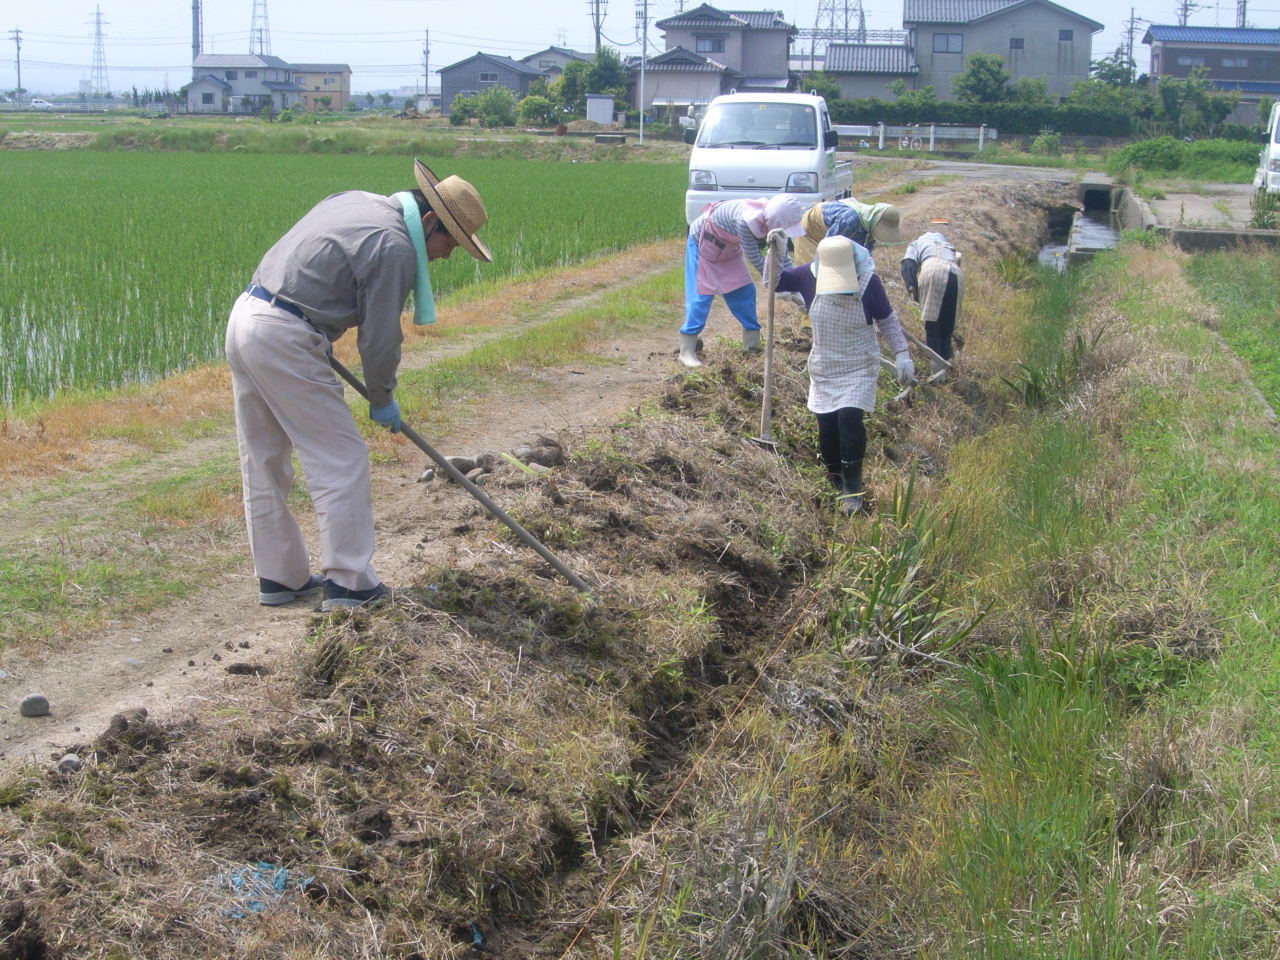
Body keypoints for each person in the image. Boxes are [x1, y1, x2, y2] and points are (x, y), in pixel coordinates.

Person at [225, 159, 491, 611]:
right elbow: (380, 336)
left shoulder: (355, 201)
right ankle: (350, 584)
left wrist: (314, 325)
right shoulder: (396, 247)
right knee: (341, 458)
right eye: (449, 242)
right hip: (286, 333)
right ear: (429, 222)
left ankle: (280, 578)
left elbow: (311, 265)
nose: (445, 256)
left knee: (264, 456)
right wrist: (382, 396)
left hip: (250, 315)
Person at [776, 235, 914, 514]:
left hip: (858, 364)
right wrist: (776, 254)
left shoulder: (868, 282)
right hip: (825, 365)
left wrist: (902, 353)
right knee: (827, 429)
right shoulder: (807, 277)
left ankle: (853, 489)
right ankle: (836, 482)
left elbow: (887, 319)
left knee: (849, 417)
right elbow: (775, 283)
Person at [679, 195, 806, 368]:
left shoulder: (769, 221)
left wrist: (794, 283)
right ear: (776, 221)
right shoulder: (745, 221)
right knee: (701, 297)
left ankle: (751, 347)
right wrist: (778, 284)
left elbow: (781, 257)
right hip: (704, 245)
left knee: (745, 291)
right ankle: (686, 350)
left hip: (728, 251)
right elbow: (756, 258)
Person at [900, 223, 963, 378]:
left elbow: (908, 264)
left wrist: (912, 288)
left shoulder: (916, 244)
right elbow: (958, 259)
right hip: (956, 273)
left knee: (933, 324)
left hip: (933, 270)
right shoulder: (947, 245)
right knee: (947, 327)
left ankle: (936, 374)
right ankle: (946, 370)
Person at [794, 197, 901, 265]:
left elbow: (865, 255)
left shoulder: (869, 225)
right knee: (814, 273)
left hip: (827, 230)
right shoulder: (850, 219)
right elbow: (828, 246)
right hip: (810, 227)